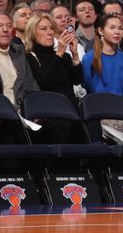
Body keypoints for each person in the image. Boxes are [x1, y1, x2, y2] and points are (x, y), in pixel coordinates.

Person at [81, 12, 123, 145]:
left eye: (120, 28)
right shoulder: (90, 58)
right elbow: (97, 94)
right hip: (102, 114)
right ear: (100, 31)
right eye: (112, 27)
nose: (117, 32)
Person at [23, 12, 82, 142]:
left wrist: (75, 55)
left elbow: (77, 80)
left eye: (51, 28)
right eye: (44, 29)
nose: (50, 32)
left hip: (71, 110)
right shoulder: (29, 57)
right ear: (33, 33)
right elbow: (44, 82)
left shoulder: (64, 57)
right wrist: (60, 52)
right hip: (49, 113)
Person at [0, 9, 39, 113]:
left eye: (9, 26)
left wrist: (34, 110)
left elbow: (32, 86)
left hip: (23, 114)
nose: (5, 29)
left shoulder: (19, 54)